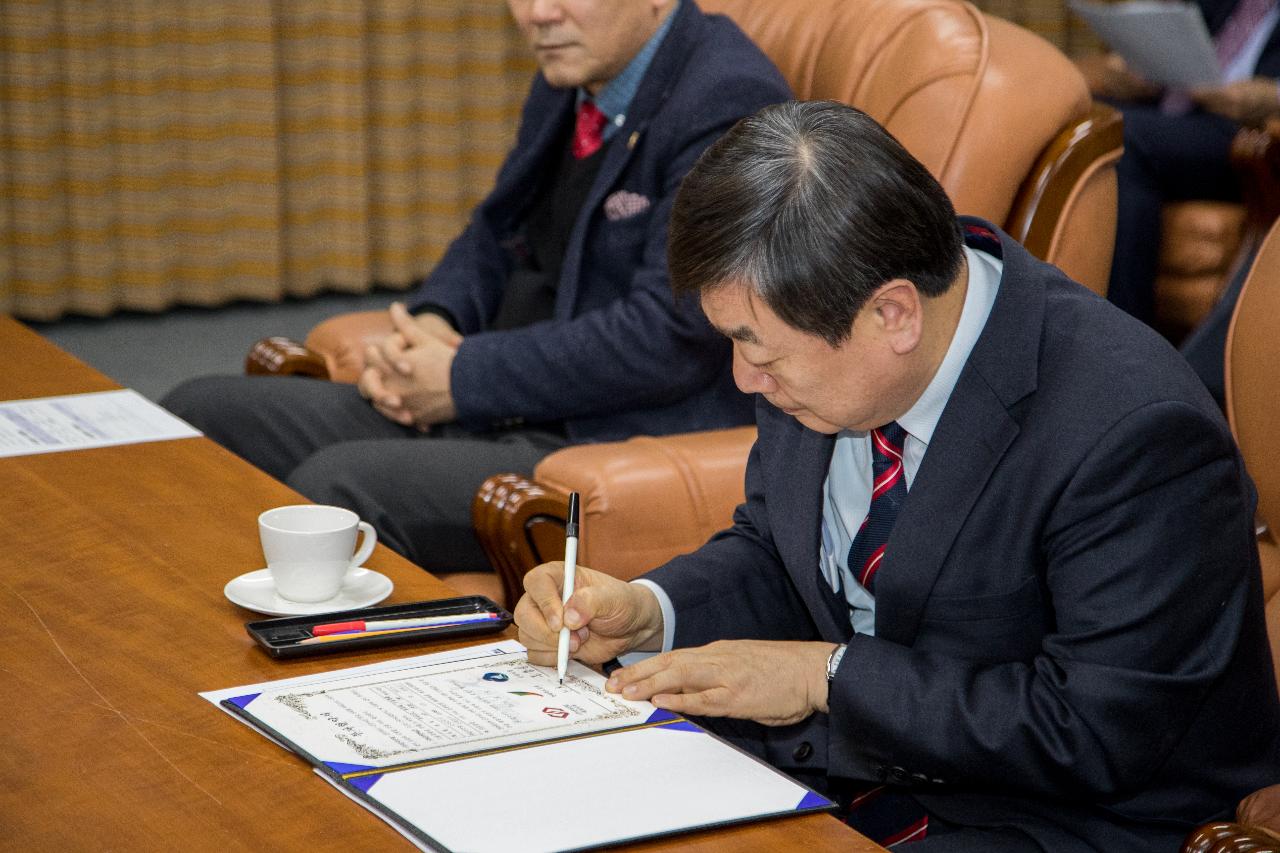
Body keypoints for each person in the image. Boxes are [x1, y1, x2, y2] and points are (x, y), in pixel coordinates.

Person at [515, 101, 1280, 851]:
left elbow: (1089, 728)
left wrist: (828, 678)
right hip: (857, 774)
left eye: (762, 351)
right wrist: (650, 610)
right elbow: (780, 552)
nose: (744, 377)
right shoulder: (819, 348)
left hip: (1065, 817)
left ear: (893, 315)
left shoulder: (1131, 428)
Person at [162, 0, 789, 574]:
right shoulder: (575, 75)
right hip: (508, 394)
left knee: (337, 487)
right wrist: (434, 322)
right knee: (200, 413)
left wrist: (461, 378)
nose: (539, 14)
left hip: (603, 433)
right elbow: (496, 229)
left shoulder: (726, 100)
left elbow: (669, 337)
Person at [1082, 0, 1280, 324]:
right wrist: (1139, 68)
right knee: (1078, 113)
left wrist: (1271, 96)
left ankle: (1122, 329)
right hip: (1179, 110)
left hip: (1248, 131)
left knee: (1123, 136)